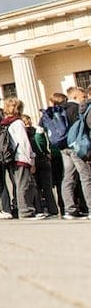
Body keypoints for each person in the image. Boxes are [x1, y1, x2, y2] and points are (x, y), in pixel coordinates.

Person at [0, 97, 38, 219]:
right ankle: (26, 211)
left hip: (10, 158)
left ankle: (23, 208)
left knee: (19, 184)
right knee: (24, 185)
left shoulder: (6, 123)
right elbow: (24, 143)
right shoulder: (18, 123)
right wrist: (31, 160)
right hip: (21, 157)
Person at [58, 86, 91, 219]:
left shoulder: (60, 109)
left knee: (68, 178)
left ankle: (69, 209)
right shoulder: (76, 109)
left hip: (63, 147)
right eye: (83, 97)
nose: (84, 99)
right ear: (75, 96)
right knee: (86, 177)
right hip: (76, 146)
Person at [22, 114, 58, 217]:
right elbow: (43, 146)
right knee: (47, 188)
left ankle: (39, 209)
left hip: (32, 162)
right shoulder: (38, 131)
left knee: (36, 188)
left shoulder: (24, 134)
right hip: (43, 161)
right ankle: (53, 209)